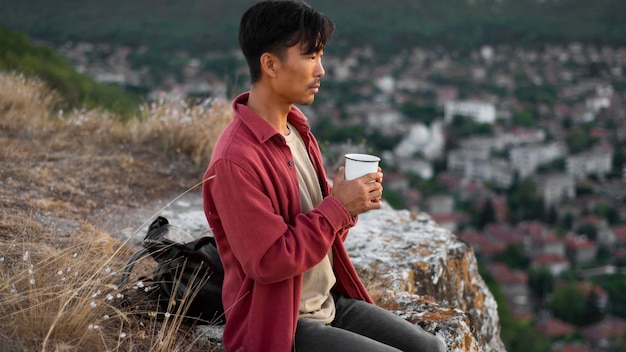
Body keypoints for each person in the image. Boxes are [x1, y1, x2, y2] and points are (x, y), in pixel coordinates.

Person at [202, 1, 446, 351]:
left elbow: (322, 236)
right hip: (283, 323)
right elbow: (267, 262)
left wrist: (350, 205)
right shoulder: (235, 161)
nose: (321, 70)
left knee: (432, 348)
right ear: (270, 64)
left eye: (321, 56)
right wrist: (336, 208)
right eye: (310, 56)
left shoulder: (297, 130)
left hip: (327, 304)